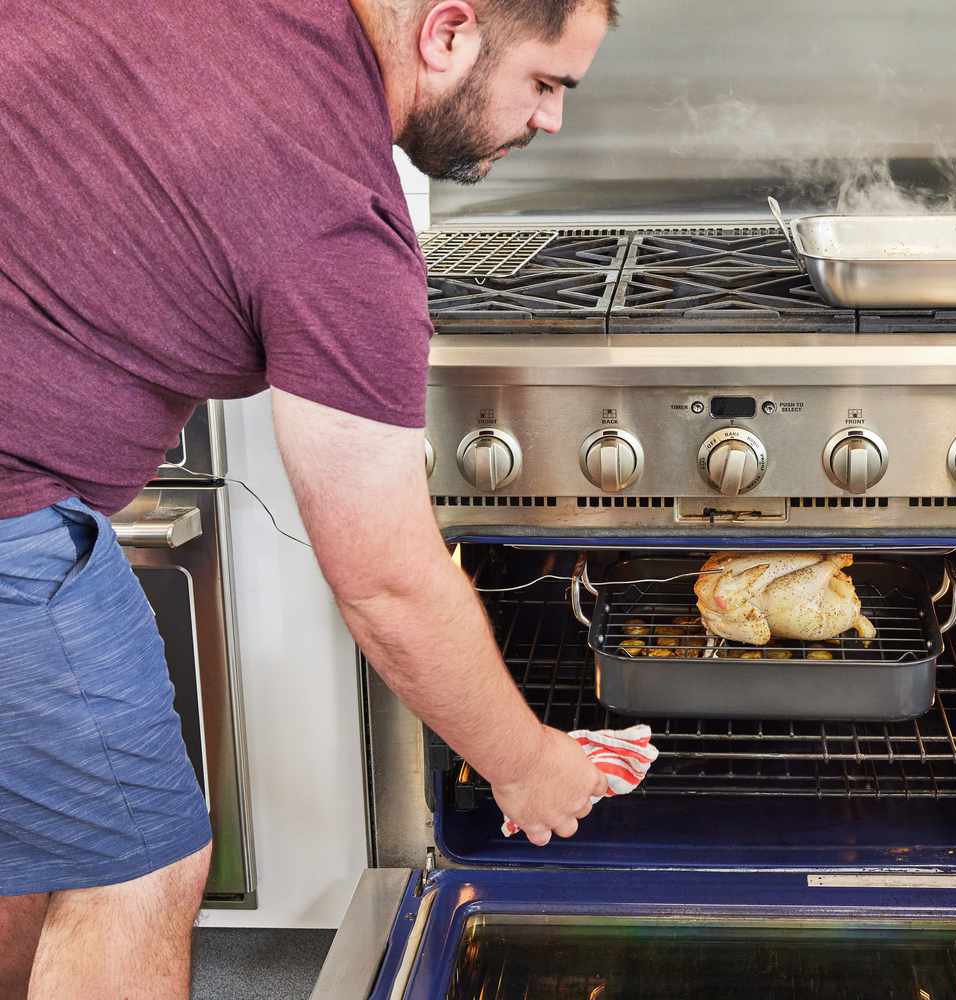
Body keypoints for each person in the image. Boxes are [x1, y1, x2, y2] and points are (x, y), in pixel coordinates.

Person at [0, 0, 618, 994]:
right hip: (9, 509)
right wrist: (527, 762)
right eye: (546, 84)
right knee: (135, 867)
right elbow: (388, 585)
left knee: (39, 835)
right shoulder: (341, 224)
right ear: (448, 33)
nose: (553, 121)